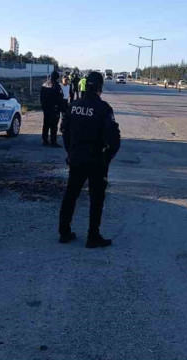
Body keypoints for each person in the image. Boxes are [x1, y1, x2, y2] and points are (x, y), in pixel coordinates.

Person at [58, 72, 121, 248]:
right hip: (97, 161)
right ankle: (93, 236)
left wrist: (70, 153)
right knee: (96, 199)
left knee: (71, 195)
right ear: (100, 87)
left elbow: (65, 132)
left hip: (76, 158)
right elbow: (114, 138)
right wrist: (108, 157)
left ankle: (64, 232)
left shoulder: (74, 106)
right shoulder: (104, 108)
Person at [39, 71, 64, 147]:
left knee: (46, 125)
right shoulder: (56, 85)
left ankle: (45, 140)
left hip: (46, 109)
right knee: (53, 126)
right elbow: (60, 97)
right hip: (54, 109)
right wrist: (60, 108)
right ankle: (53, 142)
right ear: (57, 77)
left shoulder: (45, 84)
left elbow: (41, 97)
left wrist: (44, 107)